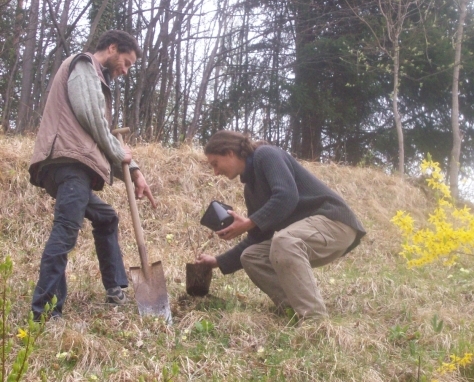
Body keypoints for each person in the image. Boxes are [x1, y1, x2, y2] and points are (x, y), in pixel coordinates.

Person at [29, 30, 156, 320]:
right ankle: (46, 312)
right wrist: (118, 150)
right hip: (68, 164)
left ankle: (114, 288)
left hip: (73, 162)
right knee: (65, 231)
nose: (125, 70)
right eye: (125, 62)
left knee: (106, 217)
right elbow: (92, 118)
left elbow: (96, 137)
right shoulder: (85, 64)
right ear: (111, 48)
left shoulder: (96, 78)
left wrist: (135, 173)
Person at [196, 130, 367, 321]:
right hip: (310, 233)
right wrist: (218, 261)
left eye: (215, 164)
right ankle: (293, 310)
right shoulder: (251, 189)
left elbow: (286, 196)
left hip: (334, 222)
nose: (216, 172)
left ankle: (315, 320)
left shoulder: (266, 154)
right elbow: (257, 237)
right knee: (251, 256)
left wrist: (249, 222)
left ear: (229, 152)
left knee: (284, 241)